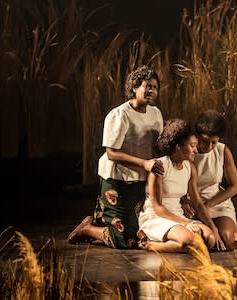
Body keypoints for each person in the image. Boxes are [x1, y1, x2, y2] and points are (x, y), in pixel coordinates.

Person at [67, 65, 164, 249]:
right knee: (124, 239)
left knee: (136, 236)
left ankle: (95, 227)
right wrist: (145, 163)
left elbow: (156, 145)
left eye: (155, 87)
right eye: (147, 86)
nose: (151, 90)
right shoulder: (120, 114)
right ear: (134, 87)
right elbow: (112, 153)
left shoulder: (156, 113)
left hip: (142, 177)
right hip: (119, 178)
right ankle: (87, 229)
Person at [137, 118, 226, 253]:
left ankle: (177, 244)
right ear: (178, 146)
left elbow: (197, 203)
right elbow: (158, 207)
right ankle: (150, 245)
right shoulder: (160, 166)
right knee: (190, 240)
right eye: (192, 146)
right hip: (156, 217)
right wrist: (186, 224)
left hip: (177, 214)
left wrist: (214, 228)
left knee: (210, 239)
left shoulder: (190, 168)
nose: (196, 150)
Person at [181, 110, 237, 251]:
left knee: (226, 239)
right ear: (196, 136)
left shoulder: (222, 151)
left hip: (216, 203)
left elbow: (234, 186)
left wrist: (209, 204)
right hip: (190, 206)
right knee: (202, 242)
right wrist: (183, 201)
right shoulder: (185, 150)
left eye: (214, 142)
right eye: (204, 142)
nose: (208, 147)